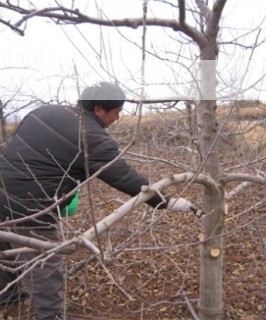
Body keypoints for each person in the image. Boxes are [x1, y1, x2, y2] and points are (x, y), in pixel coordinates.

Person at [0, 82, 195, 320]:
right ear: (99, 110)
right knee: (45, 266)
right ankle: (50, 316)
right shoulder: (92, 137)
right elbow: (124, 177)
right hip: (32, 206)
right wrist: (165, 202)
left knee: (5, 248)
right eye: (116, 111)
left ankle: (8, 298)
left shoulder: (42, 112)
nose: (118, 117)